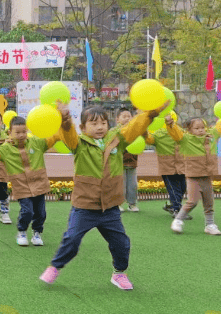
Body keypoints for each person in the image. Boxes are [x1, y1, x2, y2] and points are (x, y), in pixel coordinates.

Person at [39, 100, 169, 290]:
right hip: (84, 206)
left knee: (121, 243)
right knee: (72, 239)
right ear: (83, 127)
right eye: (93, 123)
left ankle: (119, 273)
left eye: (103, 123)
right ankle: (55, 267)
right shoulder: (79, 143)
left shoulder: (117, 138)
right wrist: (66, 119)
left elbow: (134, 126)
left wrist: (150, 113)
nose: (100, 127)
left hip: (109, 208)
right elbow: (68, 134)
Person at [0, 115, 63, 246]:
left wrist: (61, 126)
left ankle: (37, 233)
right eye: (17, 132)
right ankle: (22, 231)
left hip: (39, 185)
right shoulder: (6, 148)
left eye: (24, 131)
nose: (21, 135)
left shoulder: (36, 143)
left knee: (41, 213)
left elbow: (52, 138)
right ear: (9, 132)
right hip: (21, 186)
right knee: (27, 211)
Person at [165, 114, 221, 235]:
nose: (201, 130)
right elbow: (175, 132)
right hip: (193, 176)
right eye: (196, 128)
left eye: (202, 127)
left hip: (206, 175)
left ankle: (210, 225)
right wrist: (170, 123)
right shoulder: (185, 138)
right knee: (192, 201)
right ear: (189, 130)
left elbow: (220, 128)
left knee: (209, 201)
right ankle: (178, 220)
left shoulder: (211, 136)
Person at [145, 117, 189, 218]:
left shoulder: (180, 132)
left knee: (182, 188)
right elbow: (149, 140)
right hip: (167, 167)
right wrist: (144, 131)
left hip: (180, 166)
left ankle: (173, 206)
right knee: (174, 189)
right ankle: (177, 210)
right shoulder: (158, 134)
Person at [116, 108, 139, 212]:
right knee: (120, 185)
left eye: (129, 116)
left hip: (132, 162)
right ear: (117, 119)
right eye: (124, 116)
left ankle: (132, 204)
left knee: (132, 185)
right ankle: (118, 203)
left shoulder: (135, 131)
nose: (127, 118)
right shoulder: (116, 132)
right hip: (119, 163)